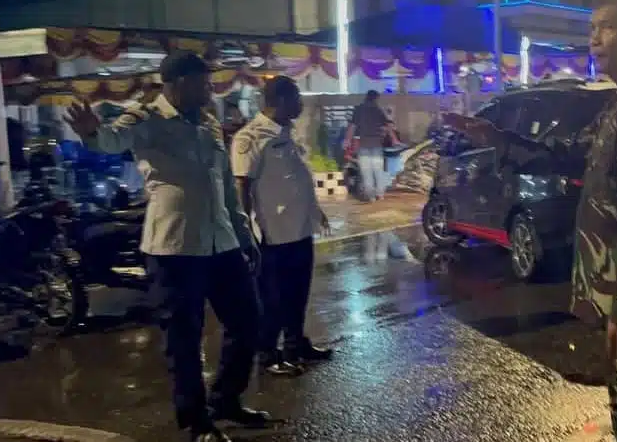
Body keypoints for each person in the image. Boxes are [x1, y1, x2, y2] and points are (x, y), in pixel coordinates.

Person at [447, 0, 617, 441]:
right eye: (593, 28)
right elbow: (567, 154)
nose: (595, 38)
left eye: (611, 26)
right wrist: (498, 138)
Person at [64, 52, 268, 442]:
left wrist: (245, 236)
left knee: (248, 322)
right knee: (184, 340)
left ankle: (226, 400)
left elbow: (226, 189)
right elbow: (112, 139)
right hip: (175, 248)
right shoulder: (146, 119)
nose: (210, 89)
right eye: (204, 82)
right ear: (179, 82)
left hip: (222, 243)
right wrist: (91, 133)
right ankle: (196, 423)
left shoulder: (208, 124)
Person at [231, 76, 333, 378]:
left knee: (298, 294)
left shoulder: (287, 132)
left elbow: (296, 179)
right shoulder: (250, 137)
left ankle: (295, 345)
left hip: (299, 229)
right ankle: (267, 353)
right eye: (297, 99)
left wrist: (316, 211)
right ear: (281, 100)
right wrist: (246, 231)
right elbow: (242, 186)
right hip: (273, 234)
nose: (301, 104)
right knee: (273, 298)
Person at [344, 90, 390, 201]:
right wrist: (390, 138)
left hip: (363, 145)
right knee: (378, 171)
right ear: (375, 98)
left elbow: (353, 126)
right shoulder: (378, 110)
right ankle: (380, 194)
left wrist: (347, 140)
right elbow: (386, 126)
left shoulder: (359, 109)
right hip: (377, 145)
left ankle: (371, 196)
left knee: (366, 173)